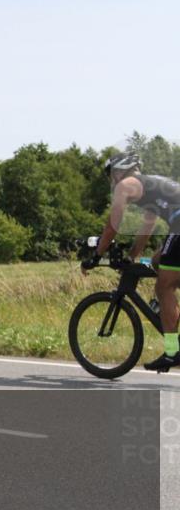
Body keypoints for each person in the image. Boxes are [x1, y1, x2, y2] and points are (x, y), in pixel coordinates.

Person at [81, 153, 180, 372]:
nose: (111, 181)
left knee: (164, 286)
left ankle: (173, 352)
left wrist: (96, 256)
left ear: (118, 171)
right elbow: (146, 228)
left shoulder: (125, 185)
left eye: (110, 175)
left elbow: (112, 225)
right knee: (157, 261)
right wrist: (132, 255)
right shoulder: (150, 188)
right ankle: (163, 308)